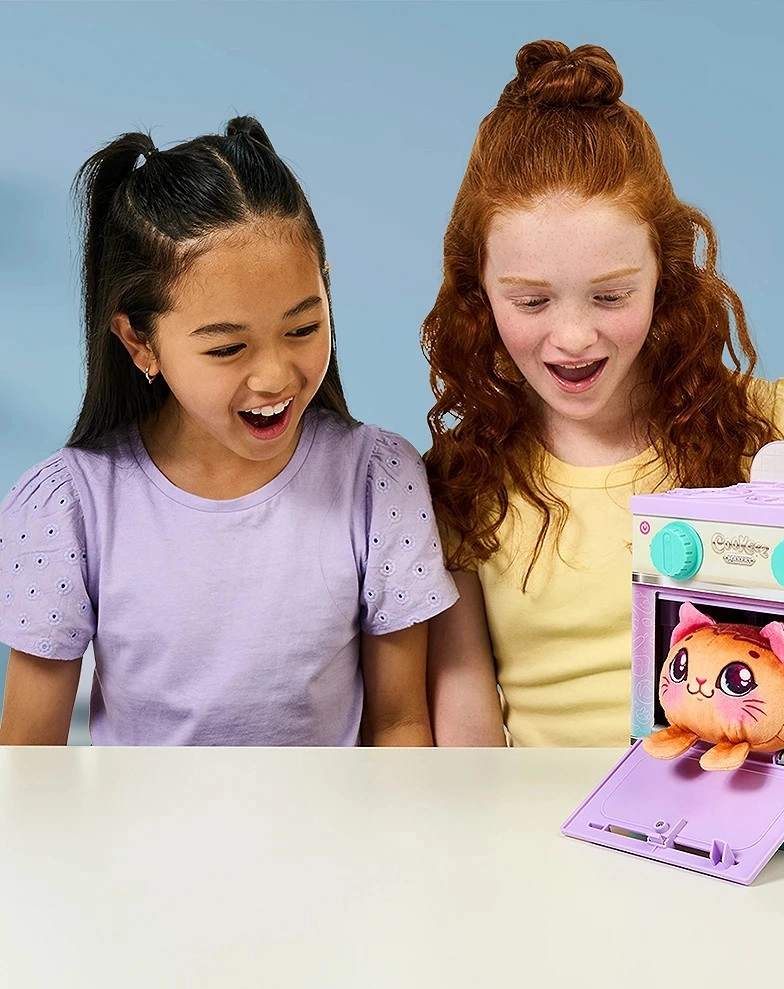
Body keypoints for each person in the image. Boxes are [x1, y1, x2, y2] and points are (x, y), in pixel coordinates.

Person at [421, 40, 784, 748]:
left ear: (665, 276)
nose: (573, 337)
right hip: (543, 815)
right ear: (478, 294)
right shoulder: (465, 482)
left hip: (745, 810)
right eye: (531, 302)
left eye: (611, 295)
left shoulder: (775, 434)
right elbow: (468, 729)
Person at [0, 116, 456, 746]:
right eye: (226, 348)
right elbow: (28, 755)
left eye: (303, 328)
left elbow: (400, 721)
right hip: (138, 817)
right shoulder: (71, 505)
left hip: (335, 816)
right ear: (138, 342)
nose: (275, 377)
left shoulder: (378, 479)